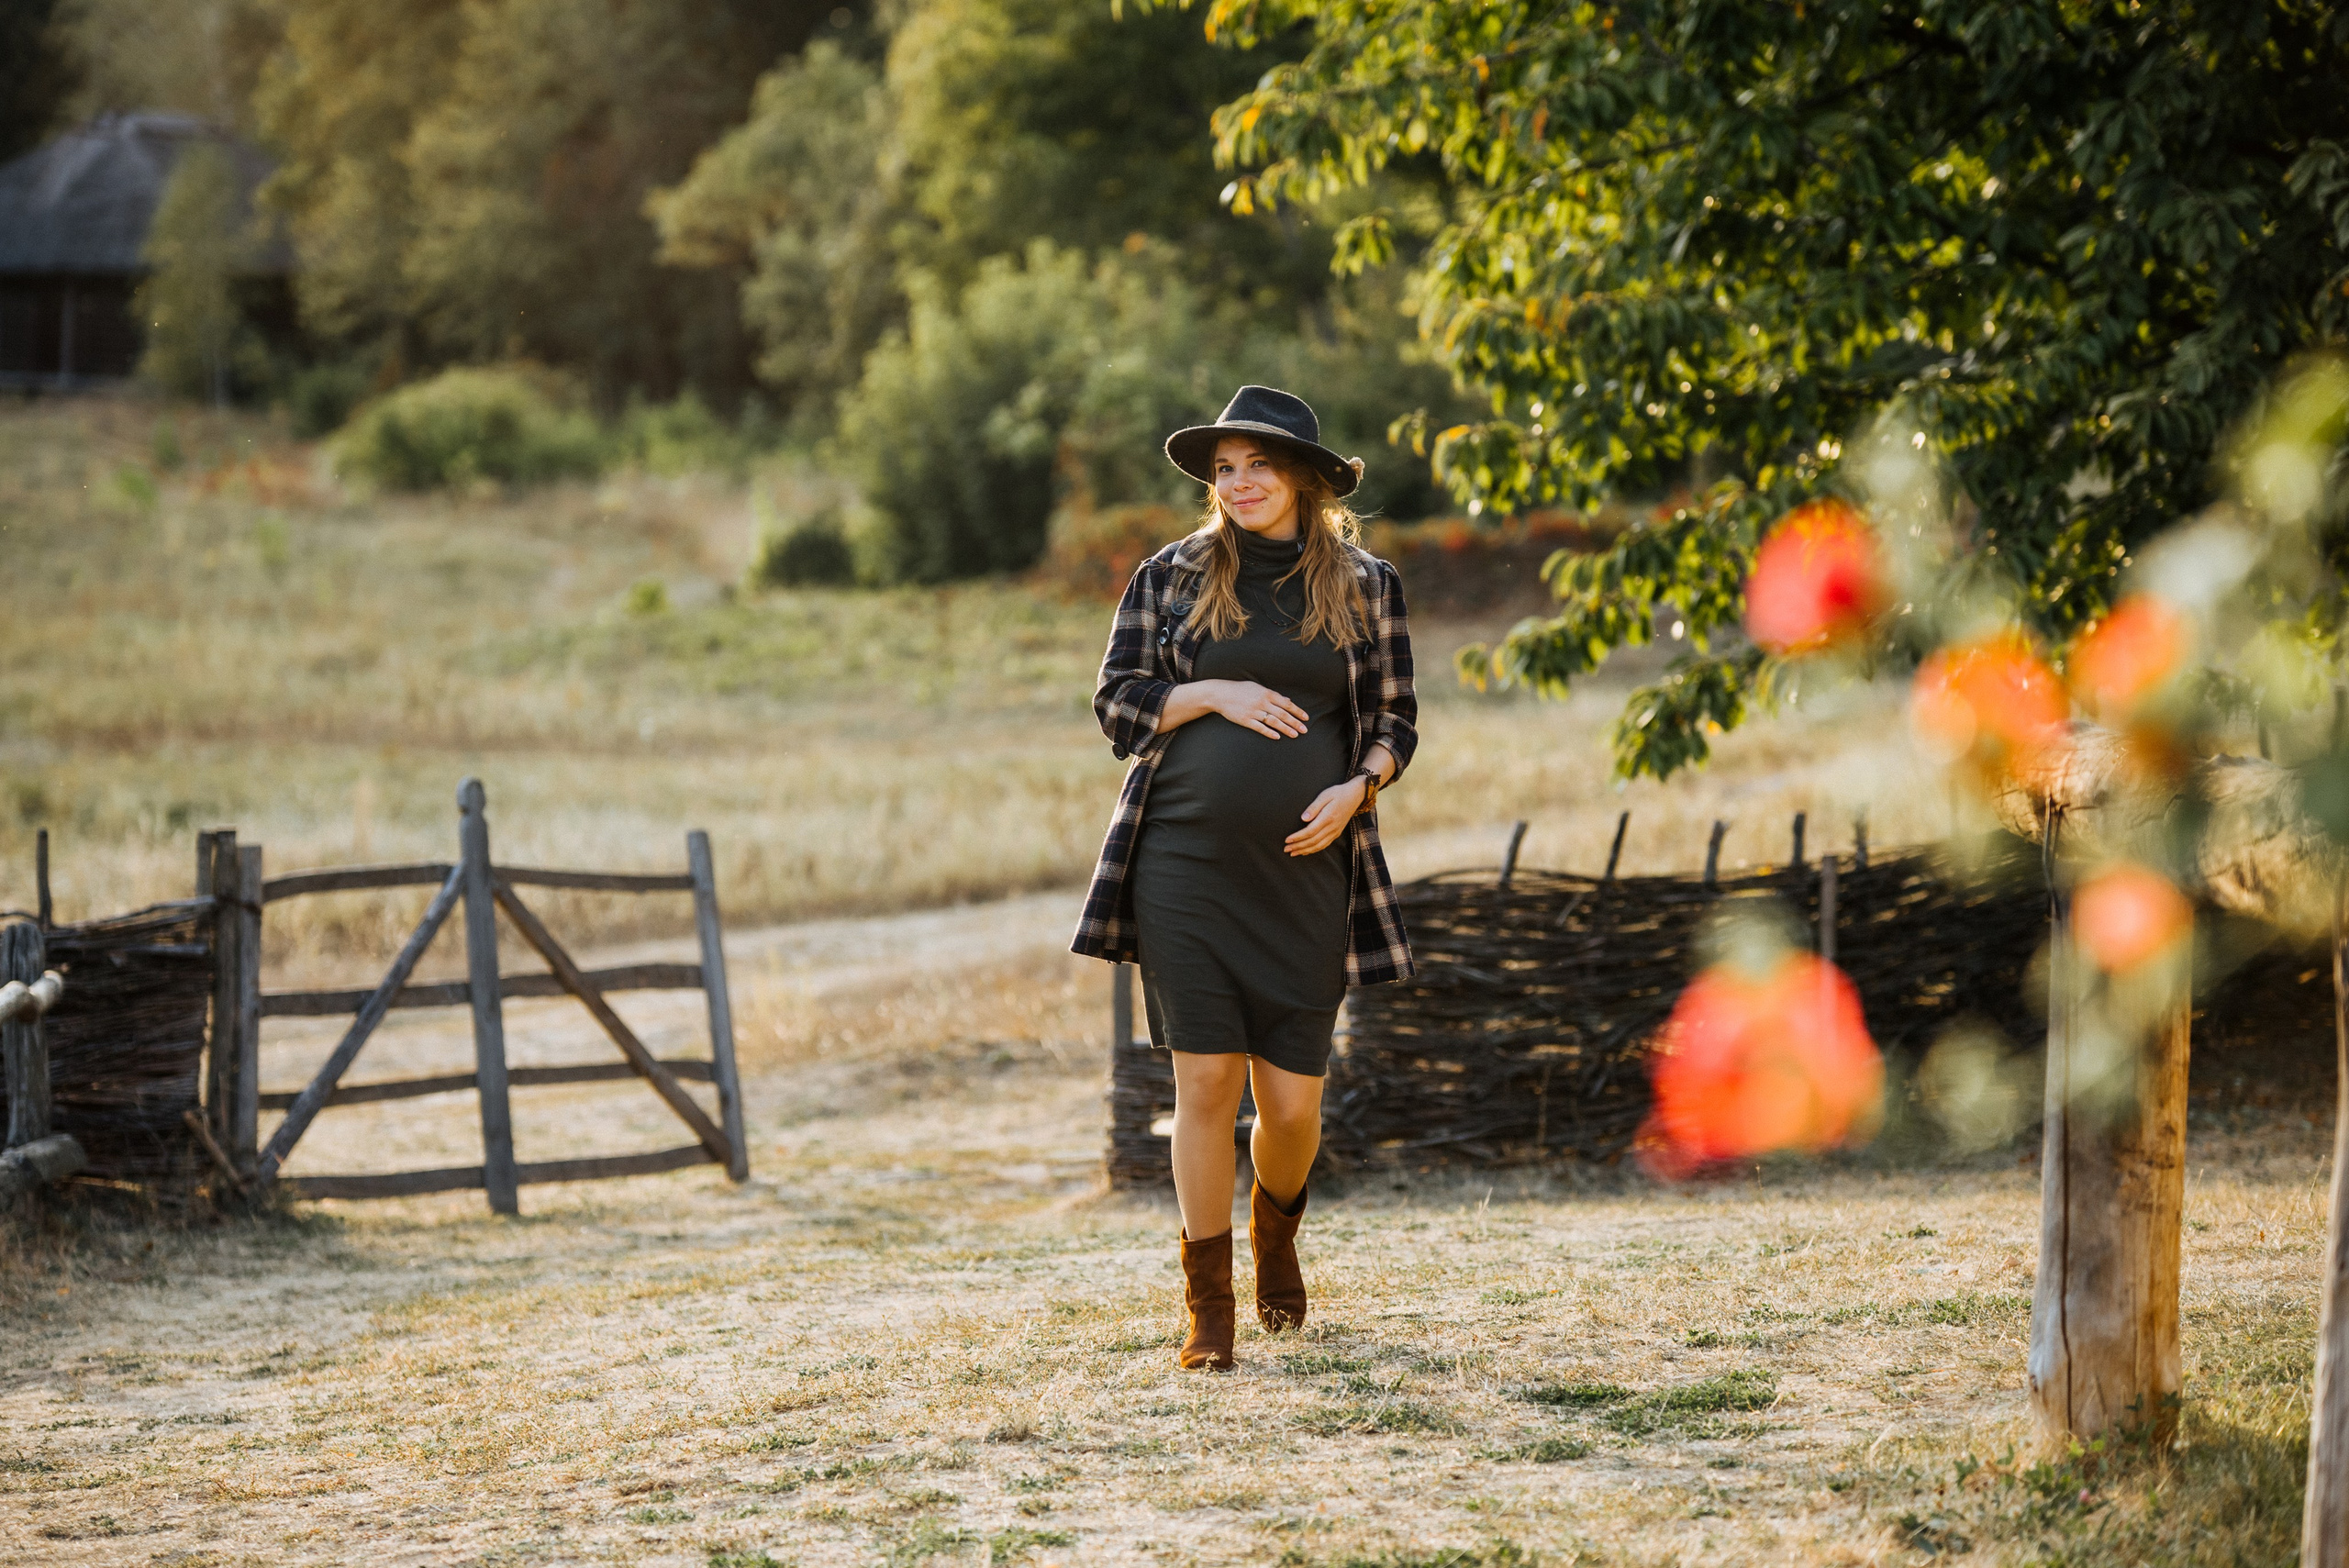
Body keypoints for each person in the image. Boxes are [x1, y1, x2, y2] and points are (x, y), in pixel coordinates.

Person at [1072, 384, 1418, 1371]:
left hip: (1307, 875)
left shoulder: (1364, 584)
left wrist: (1358, 788)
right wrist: (1210, 690)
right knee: (1205, 1080)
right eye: (1224, 468)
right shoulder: (1171, 576)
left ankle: (1276, 1232)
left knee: (1294, 1100)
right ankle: (1209, 1308)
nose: (1240, 482)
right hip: (1181, 861)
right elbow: (1117, 703)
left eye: (1258, 464)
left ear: (1306, 478)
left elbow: (1395, 719)